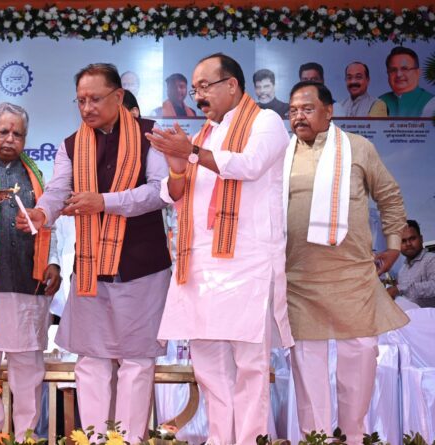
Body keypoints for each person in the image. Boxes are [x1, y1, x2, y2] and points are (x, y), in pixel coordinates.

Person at [17, 63, 171, 442]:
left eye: (95, 99)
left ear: (118, 96)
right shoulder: (72, 144)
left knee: (137, 361)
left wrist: (104, 201)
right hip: (89, 269)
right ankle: (95, 439)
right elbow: (58, 190)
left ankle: (130, 441)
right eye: (81, 100)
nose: (87, 108)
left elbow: (159, 192)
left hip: (143, 267)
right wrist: (42, 213)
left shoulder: (151, 136)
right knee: (91, 361)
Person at [148, 53, 294, 445]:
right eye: (194, 89)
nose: (198, 97)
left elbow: (249, 165)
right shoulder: (204, 135)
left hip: (247, 264)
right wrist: (177, 164)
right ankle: (219, 439)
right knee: (209, 368)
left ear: (231, 85)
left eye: (204, 87)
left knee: (250, 368)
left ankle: (248, 440)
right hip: (201, 266)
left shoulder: (266, 122)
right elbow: (174, 194)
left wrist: (192, 153)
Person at [284, 80, 409, 444]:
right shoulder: (281, 154)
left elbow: (389, 196)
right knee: (307, 363)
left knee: (362, 352)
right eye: (293, 111)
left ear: (329, 111)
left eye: (307, 109)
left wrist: (394, 245)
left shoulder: (357, 147)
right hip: (299, 279)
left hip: (352, 275)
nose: (298, 117)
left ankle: (354, 436)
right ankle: (316, 439)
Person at [0, 102, 62, 440]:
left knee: (28, 370)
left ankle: (27, 436)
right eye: (4, 132)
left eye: (18, 134)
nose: (10, 139)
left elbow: (49, 225)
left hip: (29, 286)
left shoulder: (36, 177)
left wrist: (54, 262)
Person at [388, 220, 434, 308]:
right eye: (403, 241)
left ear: (421, 239)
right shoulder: (402, 271)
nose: (408, 244)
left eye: (412, 238)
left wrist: (399, 288)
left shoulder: (431, 260)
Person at [379, 47, 435, 117]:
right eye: (393, 70)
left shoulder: (431, 103)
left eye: (404, 69)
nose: (398, 74)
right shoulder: (379, 102)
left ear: (418, 73)